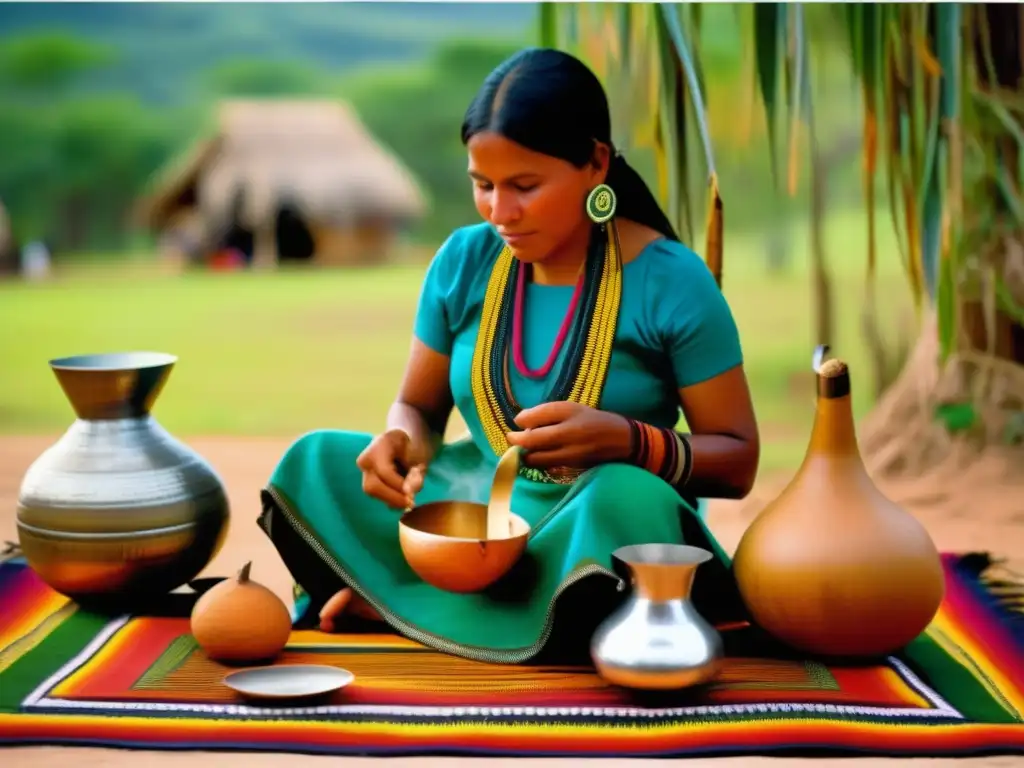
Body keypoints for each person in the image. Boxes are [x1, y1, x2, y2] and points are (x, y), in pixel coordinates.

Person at [258, 47, 760, 665]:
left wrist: (628, 442)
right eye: (483, 185)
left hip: (589, 524)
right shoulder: (465, 259)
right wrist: (399, 441)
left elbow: (738, 462)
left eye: (525, 186)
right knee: (313, 461)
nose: (501, 212)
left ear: (596, 163)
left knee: (626, 498)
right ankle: (469, 613)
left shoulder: (671, 281)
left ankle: (403, 606)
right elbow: (417, 406)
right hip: (473, 509)